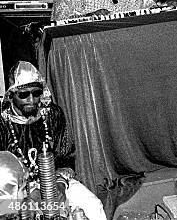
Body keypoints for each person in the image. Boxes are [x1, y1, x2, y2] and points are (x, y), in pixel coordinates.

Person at [0, 62, 105, 220]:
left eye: (36, 93)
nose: (31, 100)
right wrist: (31, 196)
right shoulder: (2, 124)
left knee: (93, 206)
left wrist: (60, 185)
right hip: (16, 193)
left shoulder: (52, 114)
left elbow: (66, 155)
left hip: (55, 180)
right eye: (23, 94)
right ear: (11, 95)